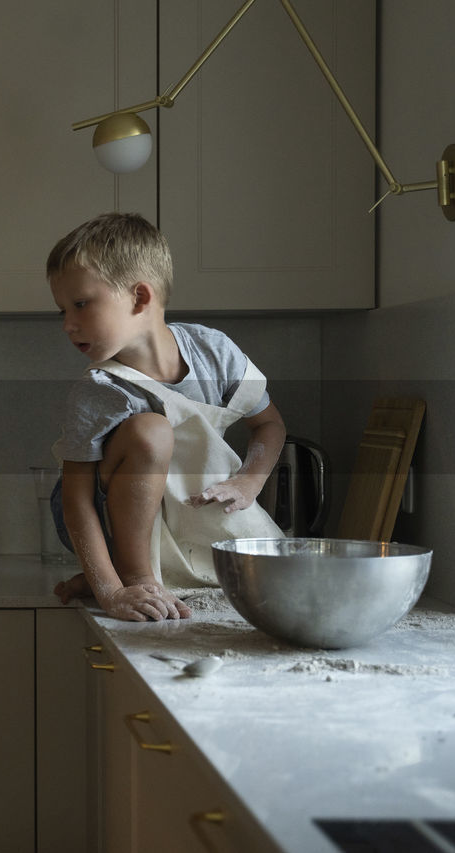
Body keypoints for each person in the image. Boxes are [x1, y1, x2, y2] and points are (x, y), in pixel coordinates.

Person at [46, 212, 286, 621]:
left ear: (140, 297)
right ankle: (137, 575)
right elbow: (76, 501)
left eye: (81, 304)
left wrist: (249, 482)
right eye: (62, 310)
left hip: (183, 514)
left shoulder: (213, 352)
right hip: (98, 515)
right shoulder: (100, 390)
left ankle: (133, 570)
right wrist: (112, 593)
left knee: (274, 573)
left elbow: (269, 425)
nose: (68, 324)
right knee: (151, 431)